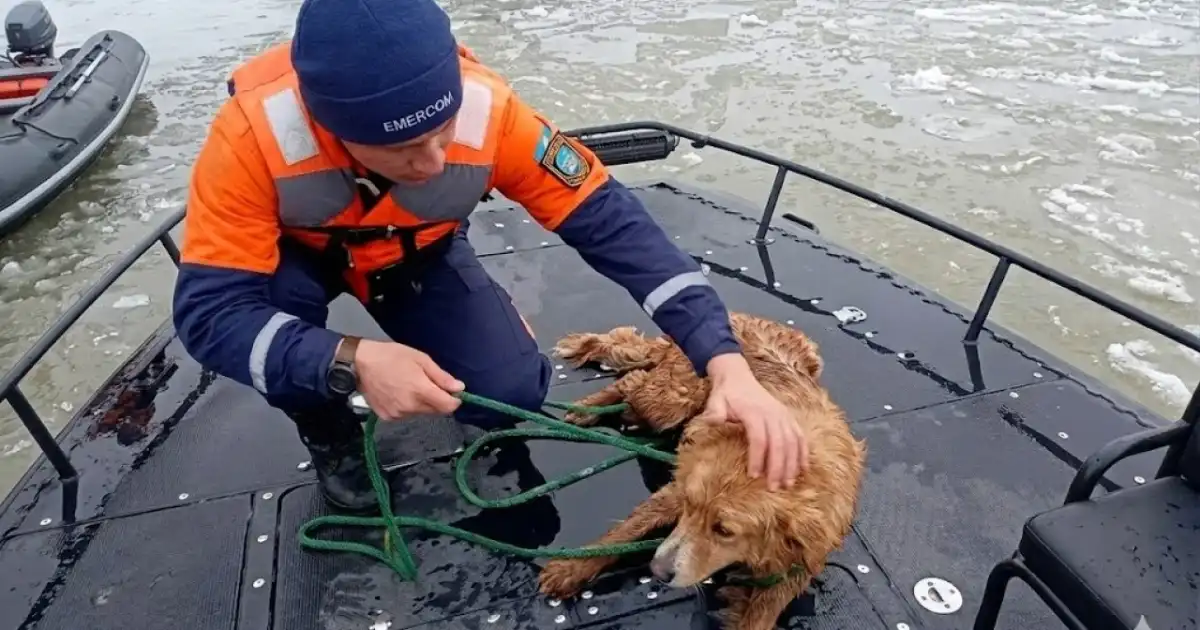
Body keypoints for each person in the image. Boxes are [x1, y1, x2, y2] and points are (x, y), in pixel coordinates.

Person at [172, 0, 809, 513]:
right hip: (295, 264)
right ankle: (327, 428)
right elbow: (210, 316)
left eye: (442, 130)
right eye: (402, 150)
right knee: (278, 325)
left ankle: (470, 342)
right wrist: (350, 360)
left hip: (416, 257)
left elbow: (618, 229)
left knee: (512, 389)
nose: (434, 163)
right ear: (328, 127)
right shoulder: (249, 141)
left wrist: (724, 362)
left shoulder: (493, 112)